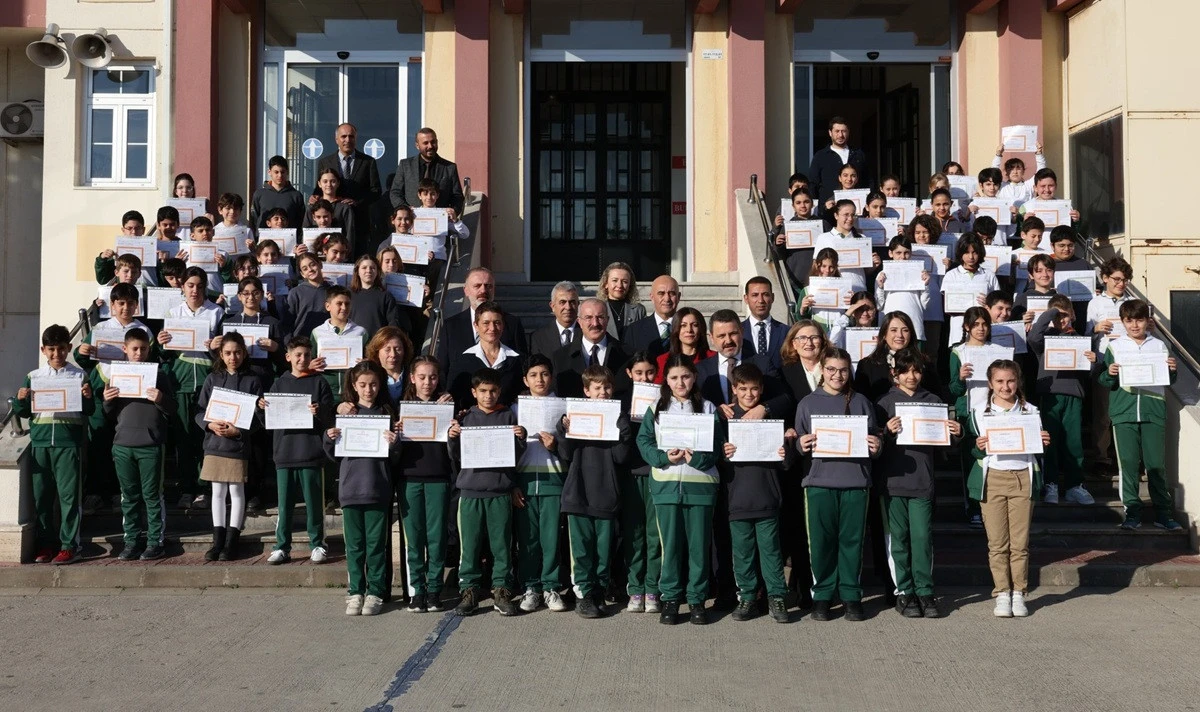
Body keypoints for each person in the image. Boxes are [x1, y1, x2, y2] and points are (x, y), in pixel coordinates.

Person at [794, 348, 882, 622]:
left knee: (852, 542)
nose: (837, 375)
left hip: (855, 481)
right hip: (819, 482)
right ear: (822, 370)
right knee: (821, 543)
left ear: (850, 372)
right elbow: (796, 440)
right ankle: (822, 595)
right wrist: (800, 444)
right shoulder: (807, 403)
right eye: (831, 369)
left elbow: (875, 441)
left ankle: (851, 595)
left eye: (843, 370)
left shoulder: (862, 402)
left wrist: (877, 445)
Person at [635, 355, 722, 625]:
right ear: (666, 380)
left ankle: (697, 599)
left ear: (694, 377)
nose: (680, 382)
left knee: (698, 547)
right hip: (666, 485)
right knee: (670, 546)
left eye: (685, 376)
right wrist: (664, 458)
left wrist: (695, 458)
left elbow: (716, 446)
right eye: (674, 377)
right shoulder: (656, 409)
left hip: (700, 487)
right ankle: (670, 599)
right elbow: (644, 441)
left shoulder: (708, 408)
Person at [877, 351, 960, 618]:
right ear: (895, 374)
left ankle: (925, 590)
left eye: (916, 371)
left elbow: (946, 444)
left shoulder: (934, 401)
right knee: (898, 540)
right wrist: (885, 432)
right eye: (905, 371)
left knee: (922, 539)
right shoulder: (883, 404)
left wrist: (955, 434)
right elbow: (873, 445)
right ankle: (904, 591)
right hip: (892, 483)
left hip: (922, 481)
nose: (911, 376)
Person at [966, 360, 1049, 618]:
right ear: (990, 384)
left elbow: (1037, 446)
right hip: (993, 478)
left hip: (1022, 477)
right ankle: (1002, 592)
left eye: (1010, 381)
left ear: (1018, 381)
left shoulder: (1031, 411)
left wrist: (1043, 441)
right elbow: (971, 449)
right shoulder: (979, 412)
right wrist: (977, 446)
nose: (1005, 386)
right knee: (998, 543)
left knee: (1020, 543)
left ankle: (1019, 593)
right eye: (1000, 381)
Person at [448, 368, 527, 616]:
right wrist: (452, 438)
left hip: (499, 491)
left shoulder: (507, 417)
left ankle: (501, 589)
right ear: (474, 392)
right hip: (470, 492)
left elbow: (514, 458)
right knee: (469, 546)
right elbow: (457, 457)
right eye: (483, 391)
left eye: (493, 390)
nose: (488, 395)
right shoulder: (464, 419)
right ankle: (469, 589)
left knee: (502, 545)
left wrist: (520, 439)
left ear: (499, 391)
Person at [556, 365, 633, 619]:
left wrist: (623, 431)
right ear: (586, 391)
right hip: (578, 493)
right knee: (581, 549)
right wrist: (564, 430)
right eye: (597, 388)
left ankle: (599, 590)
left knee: (603, 549)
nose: (603, 392)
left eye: (607, 387)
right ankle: (585, 594)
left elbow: (621, 458)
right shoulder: (574, 415)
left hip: (606, 494)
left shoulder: (618, 416)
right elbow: (565, 454)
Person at [721, 363, 794, 624]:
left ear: (762, 389)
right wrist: (724, 453)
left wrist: (787, 450)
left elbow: (786, 463)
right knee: (742, 553)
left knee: (771, 552)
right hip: (737, 499)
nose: (749, 394)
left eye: (754, 389)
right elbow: (716, 459)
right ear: (734, 390)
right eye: (743, 389)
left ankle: (776, 597)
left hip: (767, 497)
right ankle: (748, 596)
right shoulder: (725, 419)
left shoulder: (773, 420)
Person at [1099, 300, 1181, 531]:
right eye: (1129, 320)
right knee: (1128, 464)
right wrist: (1110, 373)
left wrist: (1172, 371)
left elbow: (1169, 380)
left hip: (1153, 410)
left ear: (1147, 321)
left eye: (1139, 319)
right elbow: (1104, 380)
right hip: (1123, 411)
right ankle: (1132, 513)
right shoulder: (1115, 347)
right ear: (1123, 322)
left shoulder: (1160, 346)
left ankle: (1163, 514)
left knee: (1156, 465)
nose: (1135, 325)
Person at [15, 325, 95, 564]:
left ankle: (69, 545)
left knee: (68, 497)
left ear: (69, 348)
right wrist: (20, 401)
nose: (56, 354)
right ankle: (45, 544)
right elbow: (26, 413)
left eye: (61, 349)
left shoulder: (79, 376)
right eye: (51, 349)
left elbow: (89, 411)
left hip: (68, 444)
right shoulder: (34, 376)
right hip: (40, 444)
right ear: (43, 350)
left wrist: (88, 398)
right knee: (41, 498)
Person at [325, 361, 399, 616]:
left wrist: (394, 444)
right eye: (363, 385)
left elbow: (396, 457)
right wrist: (329, 437)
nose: (369, 389)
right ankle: (355, 591)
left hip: (378, 488)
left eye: (374, 384)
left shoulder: (387, 413)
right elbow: (333, 454)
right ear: (354, 386)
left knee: (377, 546)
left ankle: (376, 592)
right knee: (355, 546)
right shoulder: (346, 413)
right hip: (350, 489)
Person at [98, 328, 171, 561]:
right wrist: (106, 401)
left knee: (151, 495)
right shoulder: (116, 376)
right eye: (135, 349)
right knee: (128, 496)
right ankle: (131, 541)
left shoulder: (159, 374)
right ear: (125, 350)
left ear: (150, 349)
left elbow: (173, 409)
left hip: (150, 444)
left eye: (144, 349)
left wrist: (160, 399)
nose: (139, 353)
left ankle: (154, 542)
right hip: (123, 444)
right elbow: (109, 414)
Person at [261, 336, 334, 566]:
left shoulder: (320, 382)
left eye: (307, 355)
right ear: (288, 357)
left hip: (311, 452)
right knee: (284, 505)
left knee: (314, 504)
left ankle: (318, 544)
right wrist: (261, 407)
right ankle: (282, 546)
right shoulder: (278, 383)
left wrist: (318, 411)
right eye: (298, 355)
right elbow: (266, 421)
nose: (303, 359)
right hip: (284, 452)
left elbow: (330, 416)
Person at [159, 267, 224, 510]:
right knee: (185, 436)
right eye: (190, 285)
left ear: (205, 286)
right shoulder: (174, 312)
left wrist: (216, 344)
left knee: (205, 437)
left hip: (209, 380)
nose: (194, 290)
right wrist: (162, 343)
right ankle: (187, 488)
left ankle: (205, 487)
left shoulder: (216, 311)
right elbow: (165, 351)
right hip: (182, 380)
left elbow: (224, 349)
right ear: (183, 287)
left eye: (198, 285)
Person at [396, 355, 457, 612]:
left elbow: (454, 445)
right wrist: (396, 435)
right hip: (409, 478)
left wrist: (453, 420)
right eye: (422, 377)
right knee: (414, 538)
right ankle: (416, 590)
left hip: (438, 478)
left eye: (432, 377)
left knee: (436, 538)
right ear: (412, 378)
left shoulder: (448, 404)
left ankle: (434, 589)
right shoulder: (401, 407)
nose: (427, 382)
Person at [196, 332, 264, 562]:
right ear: (220, 355)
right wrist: (209, 424)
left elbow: (258, 417)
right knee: (217, 492)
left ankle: (231, 541)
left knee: (236, 491)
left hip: (237, 444)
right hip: (215, 444)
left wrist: (240, 431)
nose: (233, 357)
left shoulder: (253, 380)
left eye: (237, 352)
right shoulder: (212, 379)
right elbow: (199, 412)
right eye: (227, 353)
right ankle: (217, 540)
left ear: (244, 353)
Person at [511, 355, 568, 614]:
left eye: (544, 374)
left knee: (551, 537)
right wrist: (512, 484)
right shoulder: (515, 409)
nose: (540, 379)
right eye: (533, 375)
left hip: (552, 479)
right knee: (528, 538)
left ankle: (551, 586)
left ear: (551, 377)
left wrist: (556, 445)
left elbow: (572, 446)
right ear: (525, 380)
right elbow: (505, 451)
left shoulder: (564, 407)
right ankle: (531, 587)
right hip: (524, 480)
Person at [1028, 294, 1096, 505]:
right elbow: (1032, 338)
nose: (1061, 320)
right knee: (1051, 440)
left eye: (1065, 315)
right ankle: (1051, 484)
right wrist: (1051, 313)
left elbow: (1088, 371)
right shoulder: (1045, 338)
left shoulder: (1080, 339)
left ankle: (1074, 485)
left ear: (1074, 315)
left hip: (1073, 395)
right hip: (1050, 396)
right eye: (1057, 316)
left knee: (1073, 442)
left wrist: (1093, 362)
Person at [620, 351, 661, 613]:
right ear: (629, 374)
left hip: (656, 472)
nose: (644, 378)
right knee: (634, 534)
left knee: (654, 534)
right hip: (630, 474)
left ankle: (653, 588)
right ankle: (635, 588)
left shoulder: (664, 401)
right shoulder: (620, 401)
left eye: (649, 372)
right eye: (638, 373)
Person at [696, 310, 792, 417]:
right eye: (721, 336)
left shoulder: (762, 363)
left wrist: (765, 408)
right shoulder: (701, 370)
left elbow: (785, 397)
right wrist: (715, 412)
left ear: (742, 332)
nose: (728, 341)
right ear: (712, 338)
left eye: (733, 334)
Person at [1085, 257, 1133, 472]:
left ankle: (1127, 457)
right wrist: (1095, 329)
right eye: (1116, 279)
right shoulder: (1095, 303)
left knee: (1126, 412)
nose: (1120, 284)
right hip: (1104, 362)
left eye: (1124, 280)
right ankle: (1102, 457)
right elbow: (1085, 334)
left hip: (1129, 363)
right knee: (1103, 414)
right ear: (1104, 278)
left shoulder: (1131, 303)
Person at [440, 267, 528, 369]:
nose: (483, 290)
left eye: (488, 286)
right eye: (477, 286)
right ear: (466, 291)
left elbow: (523, 364)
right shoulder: (451, 326)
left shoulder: (512, 323)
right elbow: (443, 368)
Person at [310, 123, 381, 248]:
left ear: (356, 138)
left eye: (351, 136)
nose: (347, 140)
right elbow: (320, 188)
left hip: (358, 222)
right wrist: (314, 197)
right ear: (336, 139)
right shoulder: (325, 162)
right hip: (332, 221)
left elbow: (376, 191)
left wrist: (356, 202)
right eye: (343, 136)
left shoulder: (368, 162)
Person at [447, 301, 524, 408]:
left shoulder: (517, 360)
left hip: (508, 421)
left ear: (503, 325)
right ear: (476, 326)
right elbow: (454, 396)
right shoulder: (462, 360)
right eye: (486, 323)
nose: (492, 328)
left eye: (497, 322)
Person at [551, 298, 630, 399]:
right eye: (588, 317)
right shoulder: (560, 357)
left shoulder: (627, 355)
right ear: (579, 321)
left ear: (607, 320)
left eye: (600, 317)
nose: (595, 323)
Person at [389, 127, 464, 216]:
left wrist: (454, 211)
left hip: (440, 221)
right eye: (425, 143)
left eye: (433, 142)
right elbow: (395, 192)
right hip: (411, 221)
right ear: (417, 145)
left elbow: (457, 196)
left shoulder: (449, 167)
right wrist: (405, 209)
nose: (430, 146)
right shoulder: (405, 165)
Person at [876, 236, 932, 344]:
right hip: (890, 331)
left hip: (915, 328)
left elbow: (925, 305)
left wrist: (926, 285)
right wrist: (880, 287)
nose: (903, 257)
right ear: (890, 253)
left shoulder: (919, 273)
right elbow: (879, 305)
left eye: (906, 253)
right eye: (898, 253)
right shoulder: (882, 275)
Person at [807, 116, 869, 209]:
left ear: (848, 132)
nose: (840, 135)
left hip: (856, 211)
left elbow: (868, 181)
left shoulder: (858, 154)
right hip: (828, 211)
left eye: (844, 131)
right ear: (830, 133)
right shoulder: (820, 156)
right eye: (837, 131)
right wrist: (817, 209)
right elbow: (813, 184)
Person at [814, 200, 875, 292]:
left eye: (853, 215)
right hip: (835, 290)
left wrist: (873, 266)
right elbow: (816, 267)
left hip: (859, 290)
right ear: (836, 215)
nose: (850, 218)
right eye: (846, 214)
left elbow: (865, 271)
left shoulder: (862, 238)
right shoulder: (824, 238)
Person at [623, 274, 681, 358]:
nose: (667, 299)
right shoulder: (635, 330)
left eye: (672, 293)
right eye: (661, 293)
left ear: (678, 297)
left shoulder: (687, 328)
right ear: (652, 297)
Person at [348, 254, 407, 336]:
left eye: (372, 268)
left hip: (377, 344)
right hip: (353, 342)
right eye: (364, 268)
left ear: (377, 271)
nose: (368, 271)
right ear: (357, 271)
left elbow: (393, 322)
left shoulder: (385, 296)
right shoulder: (348, 295)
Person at [653, 307, 715, 382]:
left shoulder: (714, 358)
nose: (689, 330)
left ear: (701, 329)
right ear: (676, 329)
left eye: (694, 325)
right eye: (683, 325)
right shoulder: (662, 360)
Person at [773, 187, 819, 289]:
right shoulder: (788, 226)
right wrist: (778, 244)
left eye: (806, 202)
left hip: (818, 279)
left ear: (812, 203)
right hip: (794, 280)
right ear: (793, 206)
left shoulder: (823, 225)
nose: (802, 205)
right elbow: (780, 255)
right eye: (798, 203)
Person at [742, 277, 789, 372]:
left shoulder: (786, 332)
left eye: (765, 295)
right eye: (755, 295)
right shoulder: (737, 331)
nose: (761, 300)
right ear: (746, 299)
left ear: (772, 297)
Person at [251, 155, 306, 230]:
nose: (280, 175)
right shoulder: (259, 194)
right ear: (269, 172)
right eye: (276, 172)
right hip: (264, 240)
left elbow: (301, 221)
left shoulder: (296, 196)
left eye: (282, 172)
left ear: (287, 172)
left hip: (289, 240)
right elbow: (254, 219)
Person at [530, 281, 580, 358]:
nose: (568, 307)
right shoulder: (539, 337)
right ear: (552, 306)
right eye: (562, 302)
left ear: (578, 305)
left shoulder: (587, 332)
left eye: (572, 302)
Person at [285, 253, 329, 342]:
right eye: (305, 269)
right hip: (301, 343)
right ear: (302, 274)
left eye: (312, 265)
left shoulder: (332, 291)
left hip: (326, 341)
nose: (310, 270)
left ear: (320, 264)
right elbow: (287, 322)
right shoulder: (295, 292)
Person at [598, 262, 646, 341]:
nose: (619, 285)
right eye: (615, 280)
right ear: (606, 283)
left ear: (630, 285)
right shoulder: (598, 309)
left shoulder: (638, 310)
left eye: (625, 281)